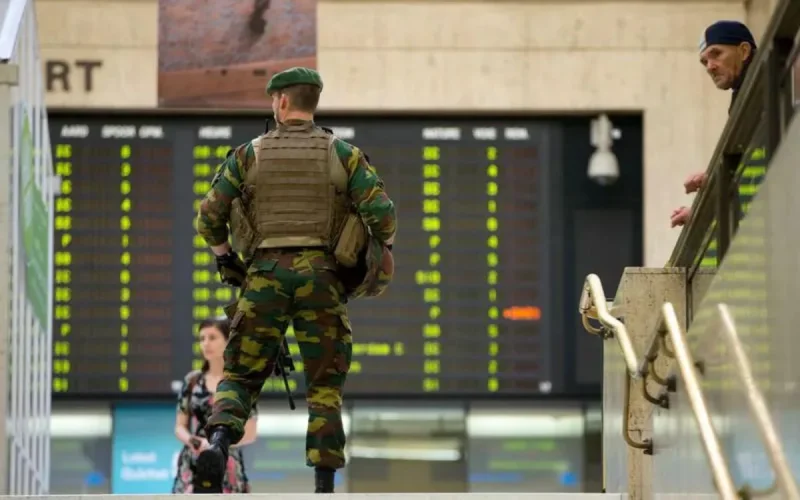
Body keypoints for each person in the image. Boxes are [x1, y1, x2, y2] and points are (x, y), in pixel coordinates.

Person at [193, 66, 397, 494]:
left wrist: (226, 257)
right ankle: (323, 484)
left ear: (282, 101)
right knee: (325, 386)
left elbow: (209, 217)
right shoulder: (343, 154)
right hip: (323, 279)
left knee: (241, 375)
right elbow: (384, 216)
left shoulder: (247, 154)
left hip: (263, 277)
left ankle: (218, 441)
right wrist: (379, 251)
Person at [671, 20, 761, 228]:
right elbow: (745, 166)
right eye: (704, 62)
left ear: (744, 51)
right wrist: (710, 186)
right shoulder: (742, 96)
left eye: (716, 54)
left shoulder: (767, 82)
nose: (710, 67)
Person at [172, 317, 258, 493]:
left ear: (227, 341)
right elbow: (180, 427)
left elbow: (250, 433)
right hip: (194, 461)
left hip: (226, 462)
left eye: (212, 338)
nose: (206, 344)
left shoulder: (239, 383)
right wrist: (194, 442)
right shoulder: (192, 381)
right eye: (202, 338)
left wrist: (218, 446)